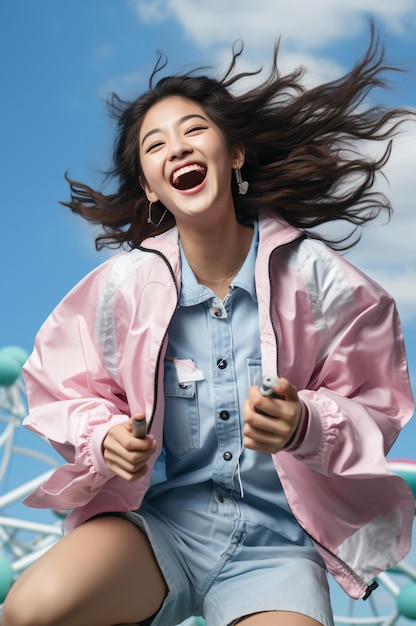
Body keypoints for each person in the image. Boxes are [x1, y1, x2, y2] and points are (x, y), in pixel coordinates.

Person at [2, 25, 415, 626]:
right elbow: (59, 385)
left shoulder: (319, 277)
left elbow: (380, 407)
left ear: (235, 155)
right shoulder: (123, 285)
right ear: (149, 186)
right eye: (155, 145)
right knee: (30, 610)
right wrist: (103, 439)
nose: (178, 148)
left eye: (195, 130)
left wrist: (306, 422)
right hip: (159, 530)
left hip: (278, 551)